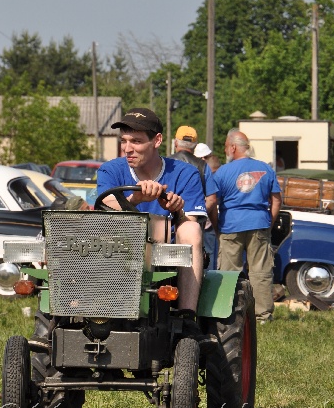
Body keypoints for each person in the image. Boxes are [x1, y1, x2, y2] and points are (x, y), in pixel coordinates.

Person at [95, 108, 213, 347]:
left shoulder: (185, 173)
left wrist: (177, 210)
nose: (128, 148)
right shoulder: (110, 170)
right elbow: (104, 208)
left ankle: (187, 318)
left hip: (164, 256)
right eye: (124, 141)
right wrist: (136, 199)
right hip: (116, 251)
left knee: (191, 230)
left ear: (156, 141)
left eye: (137, 142)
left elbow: (192, 224)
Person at [208, 128, 281, 323]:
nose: (225, 150)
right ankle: (262, 315)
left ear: (232, 147)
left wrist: (217, 226)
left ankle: (227, 314)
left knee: (228, 272)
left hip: (230, 225)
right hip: (259, 223)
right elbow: (276, 201)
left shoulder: (222, 171)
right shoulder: (266, 169)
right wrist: (268, 223)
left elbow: (212, 202)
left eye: (225, 146)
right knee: (261, 271)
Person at [168, 125, 217, 269]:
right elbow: (212, 199)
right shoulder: (202, 166)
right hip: (194, 229)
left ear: (175, 142)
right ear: (195, 145)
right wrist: (196, 215)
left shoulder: (164, 163)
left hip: (166, 228)